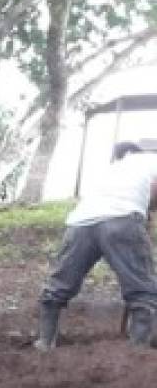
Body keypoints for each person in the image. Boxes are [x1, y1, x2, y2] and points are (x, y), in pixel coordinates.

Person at [35, 142, 157, 350]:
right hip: (122, 219)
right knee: (142, 289)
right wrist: (149, 211)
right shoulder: (152, 160)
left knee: (59, 285)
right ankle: (139, 350)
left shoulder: (117, 167)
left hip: (81, 222)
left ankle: (45, 341)